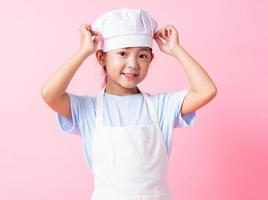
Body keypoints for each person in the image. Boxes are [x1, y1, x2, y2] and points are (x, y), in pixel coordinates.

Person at [41, 8, 217, 200]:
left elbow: (206, 90)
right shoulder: (88, 109)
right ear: (102, 58)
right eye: (123, 53)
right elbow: (50, 94)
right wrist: (83, 52)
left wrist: (176, 50)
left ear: (150, 58)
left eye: (142, 55)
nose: (133, 64)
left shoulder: (162, 106)